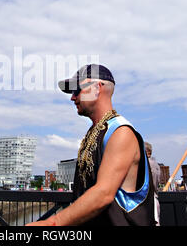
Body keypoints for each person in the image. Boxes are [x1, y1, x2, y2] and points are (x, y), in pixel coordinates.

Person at [27, 64, 156, 226]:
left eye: (77, 90)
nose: (72, 98)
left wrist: (52, 223)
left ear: (97, 88)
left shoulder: (120, 133)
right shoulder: (95, 133)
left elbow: (103, 193)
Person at [145, 141, 161, 226]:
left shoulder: (150, 164)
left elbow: (153, 183)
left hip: (150, 198)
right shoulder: (154, 164)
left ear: (148, 153)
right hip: (152, 198)